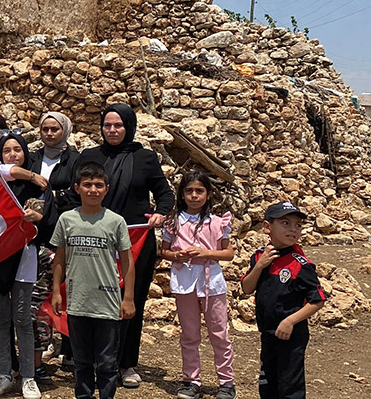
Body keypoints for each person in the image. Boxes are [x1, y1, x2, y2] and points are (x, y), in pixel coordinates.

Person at [76, 103, 174, 388]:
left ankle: (126, 363)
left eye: (118, 125)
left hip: (135, 241)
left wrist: (160, 213)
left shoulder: (145, 158)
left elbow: (165, 194)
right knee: (94, 298)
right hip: (95, 239)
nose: (112, 130)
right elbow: (74, 192)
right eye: (107, 125)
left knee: (131, 300)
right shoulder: (90, 156)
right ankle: (94, 359)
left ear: (129, 127)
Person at [50, 162, 136, 399]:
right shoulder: (67, 219)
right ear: (77, 188)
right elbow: (60, 258)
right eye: (87, 185)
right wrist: (56, 291)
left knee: (107, 363)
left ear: (107, 189)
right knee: (82, 361)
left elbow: (127, 262)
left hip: (107, 303)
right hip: (78, 302)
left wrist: (128, 297)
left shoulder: (116, 221)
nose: (93, 190)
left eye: (99, 185)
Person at [159, 171, 236, 399]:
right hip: (185, 282)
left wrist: (206, 253)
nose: (194, 196)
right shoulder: (173, 222)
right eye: (189, 191)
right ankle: (191, 380)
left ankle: (226, 381)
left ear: (208, 194)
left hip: (212, 282)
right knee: (189, 333)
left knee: (219, 333)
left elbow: (228, 253)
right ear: (182, 194)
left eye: (199, 191)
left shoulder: (217, 222)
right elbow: (164, 251)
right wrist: (177, 256)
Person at [0, 133, 47, 399]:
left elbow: (48, 217)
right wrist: (32, 175)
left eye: (17, 149)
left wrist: (37, 217)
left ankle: (28, 377)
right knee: (0, 317)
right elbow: (3, 170)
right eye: (6, 150)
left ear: (25, 152)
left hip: (25, 258)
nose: (12, 154)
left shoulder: (39, 188)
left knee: (22, 318)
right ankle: (5, 373)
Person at [241, 201, 326, 399]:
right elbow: (247, 288)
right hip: (267, 331)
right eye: (285, 223)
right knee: (268, 385)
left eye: (298, 225)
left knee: (290, 387)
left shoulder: (300, 264)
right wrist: (260, 266)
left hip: (291, 335)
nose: (293, 229)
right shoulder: (260, 256)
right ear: (267, 227)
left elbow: (318, 300)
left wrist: (290, 321)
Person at [29, 111, 80, 376]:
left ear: (65, 131)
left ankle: (70, 350)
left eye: (54, 129)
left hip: (64, 234)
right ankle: (43, 345)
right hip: (36, 235)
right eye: (45, 129)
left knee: (66, 290)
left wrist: (51, 198)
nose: (49, 134)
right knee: (40, 295)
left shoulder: (75, 160)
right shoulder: (33, 158)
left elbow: (77, 194)